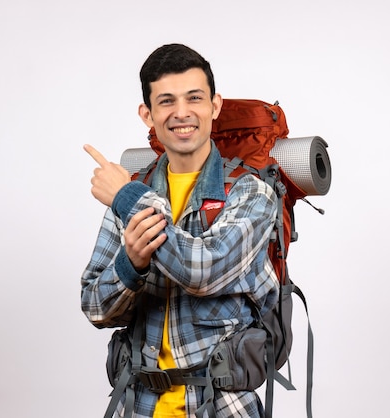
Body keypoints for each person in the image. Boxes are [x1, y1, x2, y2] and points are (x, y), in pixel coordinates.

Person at [81, 43, 280, 418]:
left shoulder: (250, 191)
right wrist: (131, 265)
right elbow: (94, 306)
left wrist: (124, 195)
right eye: (167, 101)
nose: (182, 112)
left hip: (222, 406)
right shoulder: (138, 189)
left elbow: (204, 271)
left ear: (214, 106)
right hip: (137, 404)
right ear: (148, 114)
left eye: (194, 98)